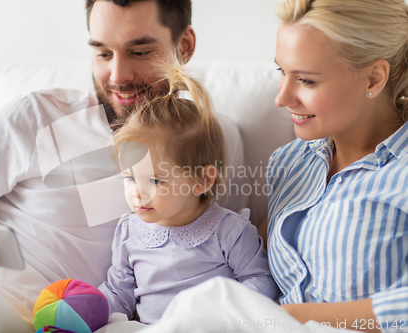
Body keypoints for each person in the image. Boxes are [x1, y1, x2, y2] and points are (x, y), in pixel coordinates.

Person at [0, 0, 247, 332]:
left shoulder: (213, 140)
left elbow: (227, 244)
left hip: (75, 322)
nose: (117, 76)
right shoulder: (34, 116)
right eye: (102, 53)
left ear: (183, 46)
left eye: (139, 51)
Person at [137, 0, 408, 332]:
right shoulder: (292, 164)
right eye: (282, 72)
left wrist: (289, 318)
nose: (281, 98)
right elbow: (243, 253)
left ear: (373, 79)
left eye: (306, 80)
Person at [97, 62, 279, 324]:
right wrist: (87, 312)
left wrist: (223, 314)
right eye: (130, 178)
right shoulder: (129, 231)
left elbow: (261, 281)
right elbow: (118, 291)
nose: (138, 193)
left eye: (156, 180)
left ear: (202, 180)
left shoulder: (228, 230)